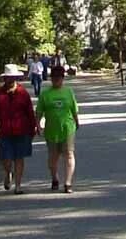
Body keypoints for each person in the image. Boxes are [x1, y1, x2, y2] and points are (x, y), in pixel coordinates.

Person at [0, 64, 37, 194]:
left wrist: (33, 127)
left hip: (22, 130)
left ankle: (18, 186)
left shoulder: (22, 93)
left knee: (19, 157)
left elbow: (30, 112)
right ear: (4, 79)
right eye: (8, 77)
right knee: (6, 158)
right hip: (5, 131)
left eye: (13, 77)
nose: (11, 80)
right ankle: (8, 172)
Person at [35, 63, 79, 193]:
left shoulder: (68, 92)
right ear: (51, 78)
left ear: (63, 78)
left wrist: (77, 121)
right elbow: (39, 112)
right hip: (51, 130)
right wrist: (37, 125)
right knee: (53, 157)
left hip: (67, 128)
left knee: (69, 154)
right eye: (54, 78)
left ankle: (68, 182)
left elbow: (73, 108)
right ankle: (54, 178)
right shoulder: (45, 94)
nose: (56, 80)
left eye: (59, 78)